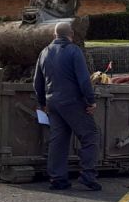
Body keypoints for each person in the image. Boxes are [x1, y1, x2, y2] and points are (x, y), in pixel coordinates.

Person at [33, 21, 101, 191]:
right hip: (72, 102)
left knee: (58, 140)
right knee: (90, 135)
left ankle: (58, 179)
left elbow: (37, 82)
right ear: (71, 34)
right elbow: (84, 79)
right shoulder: (74, 51)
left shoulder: (44, 53)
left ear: (54, 35)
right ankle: (87, 176)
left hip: (53, 103)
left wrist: (42, 103)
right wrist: (91, 101)